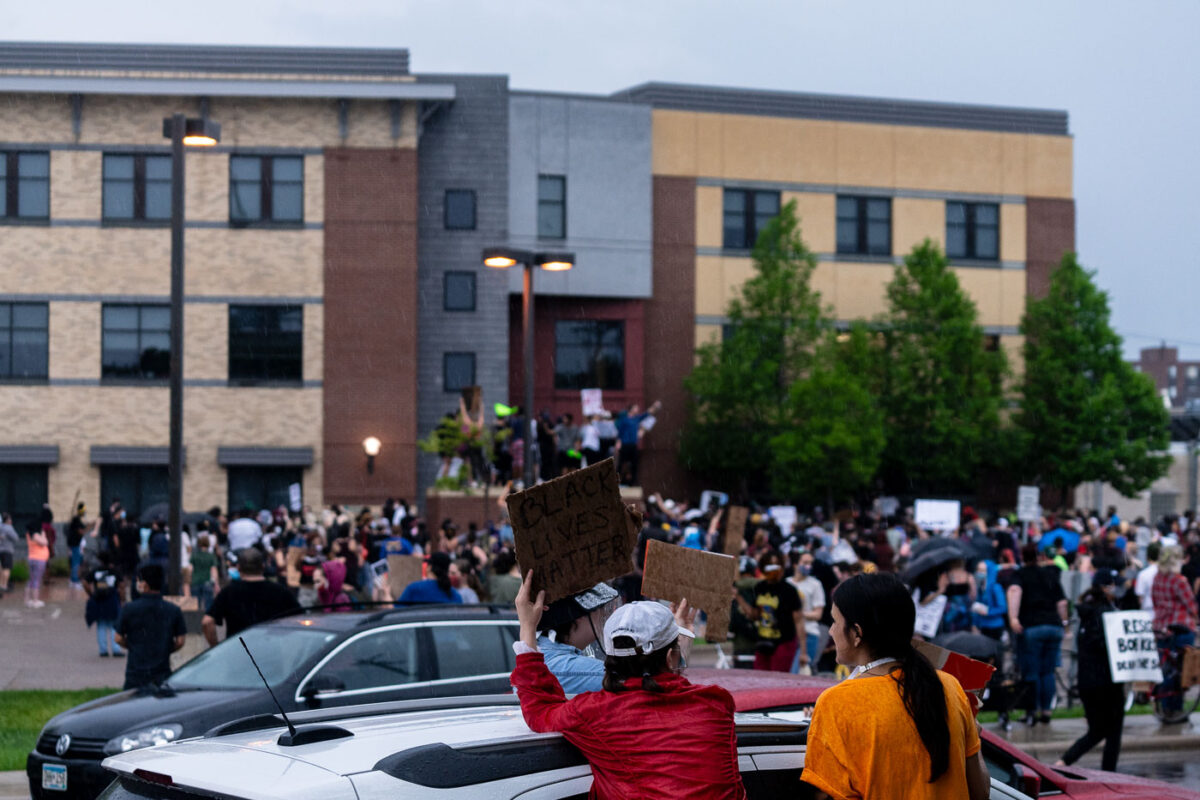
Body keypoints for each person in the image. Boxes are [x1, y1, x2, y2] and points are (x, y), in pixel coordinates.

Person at [511, 571, 745, 799]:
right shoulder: (717, 704)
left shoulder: (594, 712)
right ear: (669, 658)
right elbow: (674, 693)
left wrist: (528, 627)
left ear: (612, 659)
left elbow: (539, 711)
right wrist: (681, 632)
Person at [802, 572, 989, 800]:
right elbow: (981, 793)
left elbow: (827, 795)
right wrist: (974, 739)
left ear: (857, 633)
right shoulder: (949, 686)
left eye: (834, 621)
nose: (831, 631)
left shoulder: (836, 703)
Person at [1056, 568, 1126, 772]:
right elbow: (1108, 647)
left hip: (1088, 683)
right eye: (1114, 585)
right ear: (1105, 588)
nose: (1117, 589)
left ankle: (1064, 762)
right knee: (1113, 732)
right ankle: (1108, 775)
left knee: (1098, 730)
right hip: (1107, 682)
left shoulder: (1087, 612)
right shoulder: (1107, 614)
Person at [1007, 543, 1068, 725]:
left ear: (1022, 557)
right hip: (1054, 626)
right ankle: (1046, 711)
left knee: (1031, 672)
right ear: (1040, 556)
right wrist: (1064, 622)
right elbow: (1062, 603)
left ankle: (1031, 711)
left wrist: (1013, 618)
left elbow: (1014, 591)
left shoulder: (1020, 575)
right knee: (1048, 672)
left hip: (1032, 626)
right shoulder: (1050, 574)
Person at [201, 548, 300, 646]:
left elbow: (207, 622)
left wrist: (216, 647)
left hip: (237, 651)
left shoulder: (228, 592)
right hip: (270, 650)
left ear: (239, 567)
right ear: (263, 566)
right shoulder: (280, 591)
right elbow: (300, 618)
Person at [534, 582, 620, 693]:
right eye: (602, 608)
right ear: (579, 615)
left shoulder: (543, 657)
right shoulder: (569, 669)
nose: (607, 615)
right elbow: (629, 682)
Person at [114, 564, 186, 690]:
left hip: (136, 672)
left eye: (139, 581)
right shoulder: (173, 610)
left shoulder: (129, 609)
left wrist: (132, 646)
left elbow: (118, 638)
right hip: (161, 672)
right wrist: (166, 649)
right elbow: (180, 641)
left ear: (145, 585)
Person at [734, 550, 802, 672]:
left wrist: (804, 651)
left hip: (784, 642)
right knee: (760, 677)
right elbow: (755, 615)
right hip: (763, 641)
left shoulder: (789, 590)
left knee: (777, 679)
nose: (774, 569)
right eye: (770, 565)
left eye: (777, 565)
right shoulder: (760, 587)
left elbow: (798, 621)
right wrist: (738, 598)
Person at [789, 550, 826, 673]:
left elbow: (818, 614)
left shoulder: (815, 584)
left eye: (810, 563)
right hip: (789, 636)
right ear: (795, 564)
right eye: (805, 562)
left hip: (809, 633)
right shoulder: (787, 583)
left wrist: (798, 614)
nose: (808, 566)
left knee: (795, 674)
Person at [83, 550, 123, 657]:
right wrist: (122, 599)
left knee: (101, 625)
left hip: (99, 599)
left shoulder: (96, 571)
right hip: (112, 599)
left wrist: (91, 594)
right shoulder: (114, 571)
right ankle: (116, 648)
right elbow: (121, 585)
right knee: (114, 625)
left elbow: (85, 582)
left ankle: (103, 649)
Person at [396, 551, 463, 604]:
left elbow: (396, 612)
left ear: (429, 567)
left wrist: (387, 594)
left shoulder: (414, 589)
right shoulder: (455, 595)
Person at [971, 559, 1007, 640]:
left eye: (982, 570)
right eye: (978, 570)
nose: (979, 573)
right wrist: (974, 624)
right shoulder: (980, 587)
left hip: (995, 627)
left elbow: (1003, 608)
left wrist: (988, 612)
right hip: (983, 626)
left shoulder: (995, 587)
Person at [24, 520, 50, 608]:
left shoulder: (29, 534)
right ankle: (35, 601)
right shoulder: (35, 535)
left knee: (31, 579)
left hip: (32, 558)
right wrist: (43, 534)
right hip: (38, 560)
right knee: (36, 580)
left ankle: (27, 600)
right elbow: (45, 542)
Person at [0, 513, 19, 596]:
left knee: (1, 568)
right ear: (7, 520)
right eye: (10, 519)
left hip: (0, 550)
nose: (11, 521)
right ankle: (4, 585)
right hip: (7, 550)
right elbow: (16, 538)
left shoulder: (0, 527)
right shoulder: (9, 528)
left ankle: (1, 584)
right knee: (6, 568)